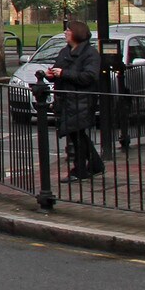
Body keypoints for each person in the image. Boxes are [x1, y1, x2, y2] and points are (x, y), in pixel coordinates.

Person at [49, 18, 105, 180]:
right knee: (76, 135)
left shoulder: (90, 54)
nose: (65, 32)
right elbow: (59, 69)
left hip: (81, 100)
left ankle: (80, 170)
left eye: (68, 30)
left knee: (77, 135)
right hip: (67, 99)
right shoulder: (65, 51)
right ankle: (95, 165)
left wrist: (64, 73)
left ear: (76, 33)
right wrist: (52, 74)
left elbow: (89, 76)